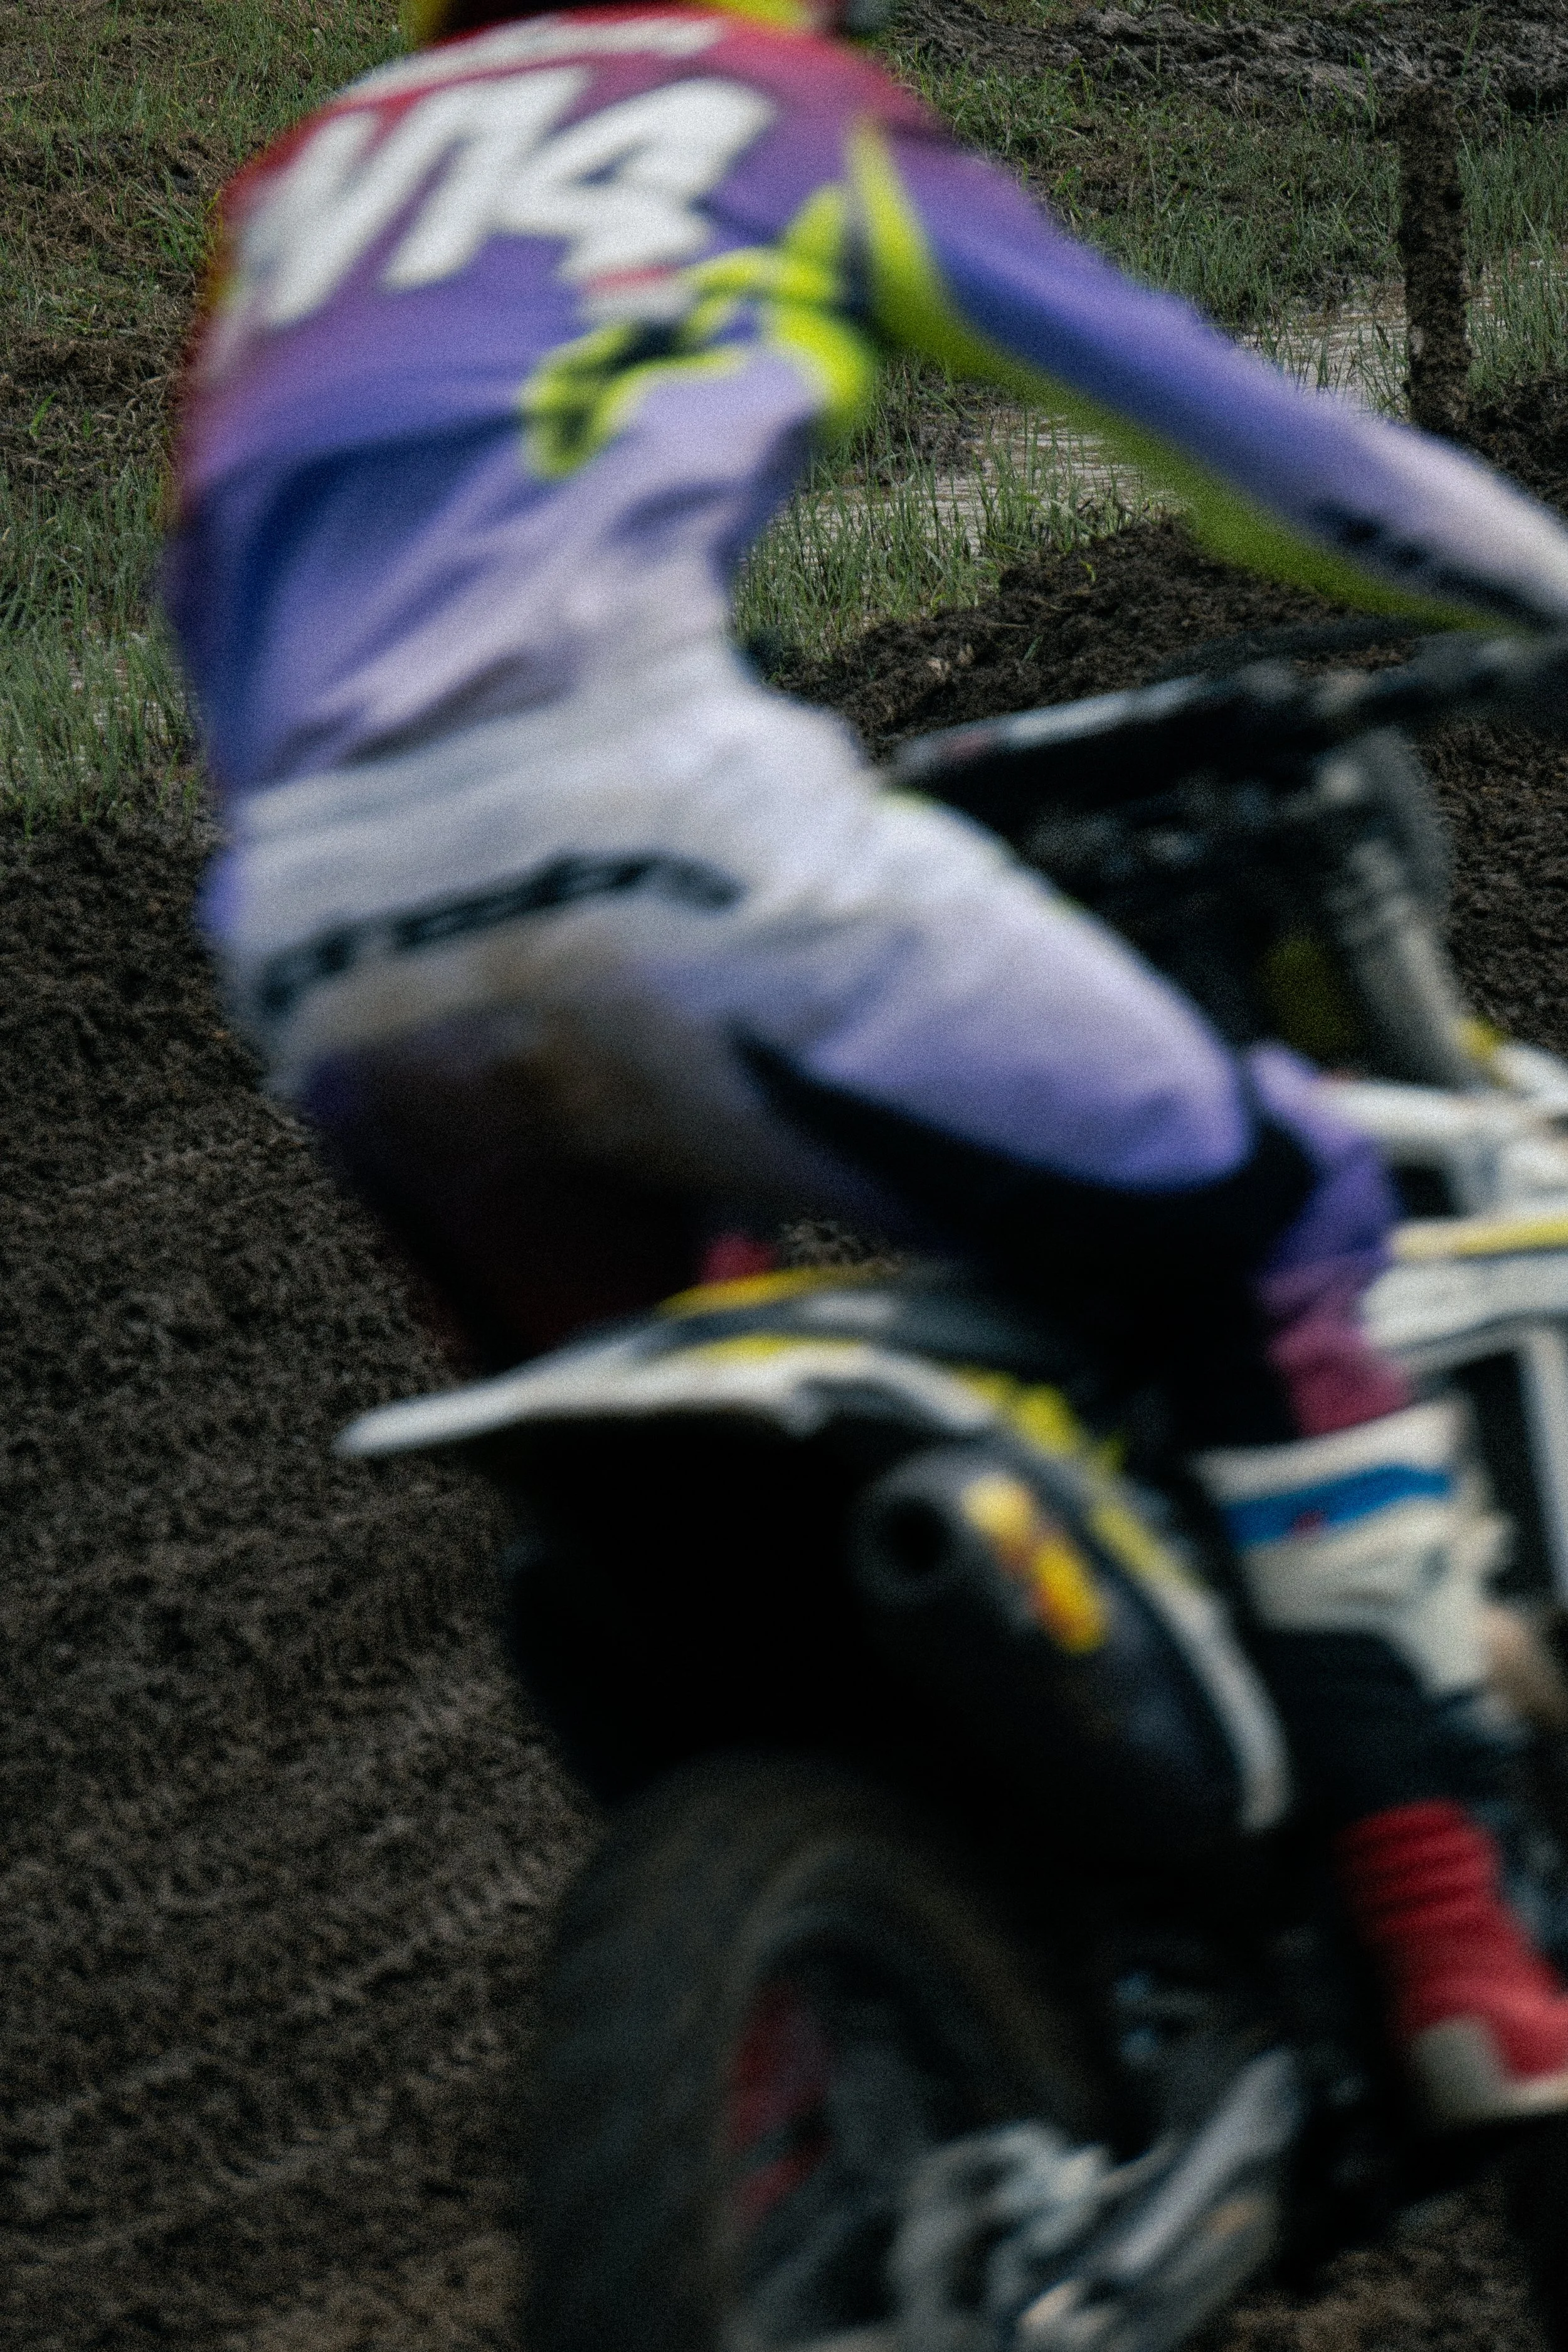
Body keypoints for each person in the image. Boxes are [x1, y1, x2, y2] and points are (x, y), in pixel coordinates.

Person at [166, 0, 1568, 2129]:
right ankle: (1450, 1930)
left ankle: (817, 2061)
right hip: (652, 813)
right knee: (1268, 1207)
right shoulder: (762, 105)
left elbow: (218, 577)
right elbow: (1245, 437)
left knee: (694, 1526)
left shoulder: (299, 189)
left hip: (310, 926)